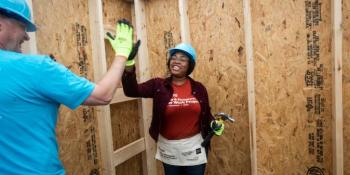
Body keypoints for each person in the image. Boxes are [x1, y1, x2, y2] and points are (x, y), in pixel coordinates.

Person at [0, 0, 138, 174]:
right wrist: (122, 54)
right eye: (23, 26)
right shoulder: (38, 67)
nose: (27, 36)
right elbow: (103, 95)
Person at [122, 42, 224, 175]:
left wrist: (213, 123)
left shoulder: (199, 88)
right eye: (174, 57)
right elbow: (131, 91)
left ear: (190, 65)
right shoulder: (158, 85)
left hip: (194, 147)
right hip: (169, 148)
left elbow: (205, 113)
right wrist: (129, 63)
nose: (176, 61)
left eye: (183, 59)